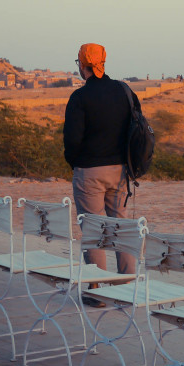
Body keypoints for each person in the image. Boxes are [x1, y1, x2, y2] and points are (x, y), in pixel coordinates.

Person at [64, 43, 137, 298]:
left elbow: (72, 140)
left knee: (93, 229)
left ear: (82, 65)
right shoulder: (123, 90)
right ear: (103, 63)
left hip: (89, 171)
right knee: (121, 227)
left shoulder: (80, 98)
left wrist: (74, 162)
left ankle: (96, 290)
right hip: (120, 171)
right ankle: (126, 286)